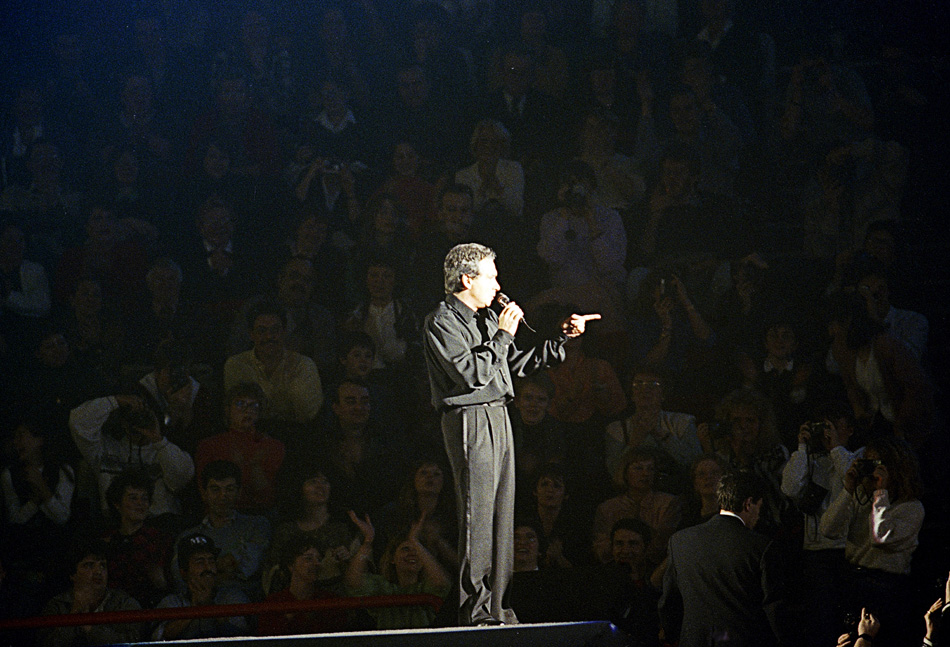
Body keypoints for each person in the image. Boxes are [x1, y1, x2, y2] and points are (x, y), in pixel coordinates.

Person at [422, 242, 599, 625]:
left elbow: (517, 363)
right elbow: (472, 373)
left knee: (502, 514)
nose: (498, 283)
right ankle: (476, 610)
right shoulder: (443, 321)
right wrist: (502, 335)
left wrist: (563, 339)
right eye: (491, 275)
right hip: (469, 418)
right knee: (477, 514)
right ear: (467, 279)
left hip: (500, 414)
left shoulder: (486, 319)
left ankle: (498, 607)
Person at [659, 469, 792, 647]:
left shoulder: (680, 541)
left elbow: (670, 602)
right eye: (759, 508)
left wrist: (671, 634)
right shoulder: (761, 547)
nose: (758, 516)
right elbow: (774, 608)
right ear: (748, 504)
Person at [38, 539, 142, 647]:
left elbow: (133, 642)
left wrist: (88, 625)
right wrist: (74, 615)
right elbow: (47, 644)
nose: (98, 571)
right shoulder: (57, 605)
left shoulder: (124, 603)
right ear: (73, 574)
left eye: (103, 565)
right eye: (89, 565)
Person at [152, 534, 249, 640]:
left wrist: (209, 605)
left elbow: (243, 637)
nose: (208, 567)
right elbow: (159, 638)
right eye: (200, 562)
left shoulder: (233, 597)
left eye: (211, 561)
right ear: (184, 572)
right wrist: (194, 610)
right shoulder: (171, 602)